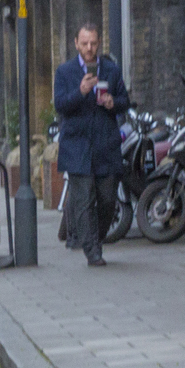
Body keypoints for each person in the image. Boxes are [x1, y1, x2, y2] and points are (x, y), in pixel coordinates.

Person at [52, 23, 129, 266]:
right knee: (84, 200)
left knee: (107, 199)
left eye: (93, 43)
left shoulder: (111, 70)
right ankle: (92, 251)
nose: (89, 47)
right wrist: (81, 91)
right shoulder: (65, 72)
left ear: (99, 43)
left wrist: (112, 103)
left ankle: (97, 238)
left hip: (105, 144)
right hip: (77, 146)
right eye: (84, 43)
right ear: (76, 43)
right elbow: (60, 105)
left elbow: (125, 101)